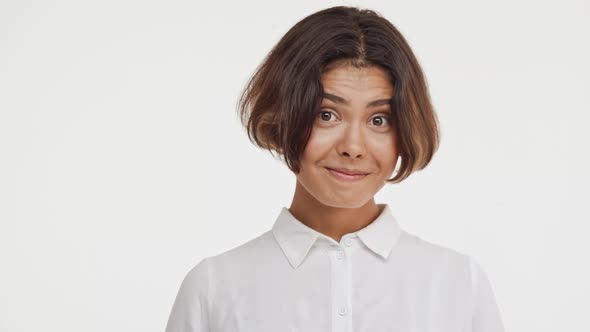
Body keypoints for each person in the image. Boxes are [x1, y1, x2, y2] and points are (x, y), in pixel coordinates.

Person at [165, 6, 505, 332]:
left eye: (379, 119)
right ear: (283, 117)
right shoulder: (213, 288)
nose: (352, 147)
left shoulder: (457, 283)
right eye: (326, 114)